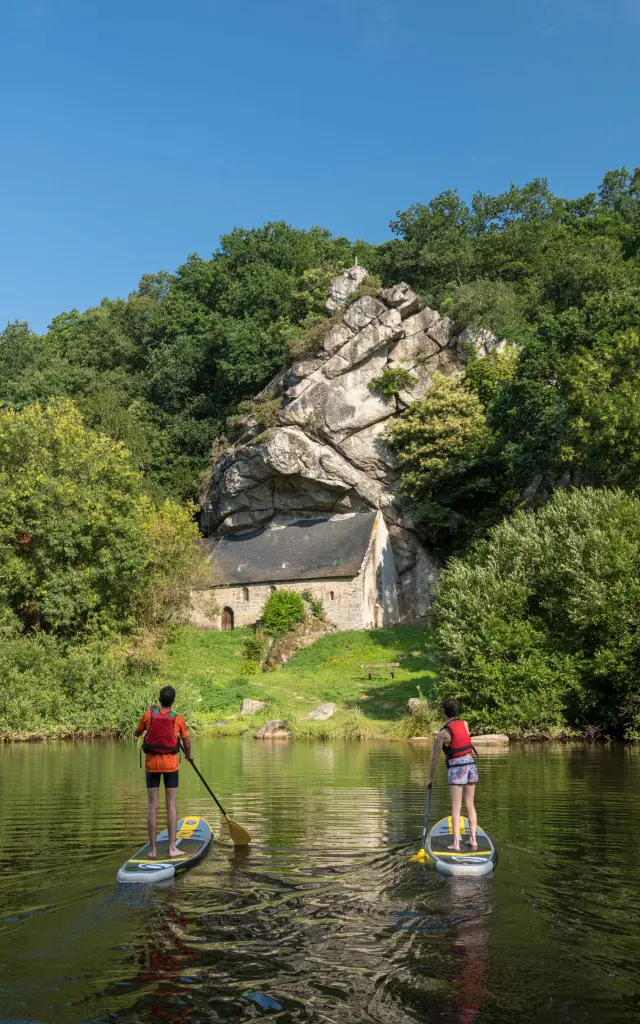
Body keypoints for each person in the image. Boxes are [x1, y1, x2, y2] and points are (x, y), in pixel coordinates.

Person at [134, 685, 192, 859]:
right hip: (171, 766)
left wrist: (149, 713)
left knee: (152, 807)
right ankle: (172, 848)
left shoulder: (148, 715)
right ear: (173, 701)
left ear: (159, 700)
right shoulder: (178, 718)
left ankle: (152, 850)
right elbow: (187, 744)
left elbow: (137, 733)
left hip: (152, 765)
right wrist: (189, 756)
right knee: (171, 805)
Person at [427, 698, 479, 852]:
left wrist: (430, 778)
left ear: (443, 712)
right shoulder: (465, 724)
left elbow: (435, 758)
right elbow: (460, 737)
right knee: (470, 804)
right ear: (456, 711)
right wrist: (440, 734)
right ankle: (473, 840)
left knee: (456, 806)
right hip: (470, 766)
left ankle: (456, 843)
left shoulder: (442, 734)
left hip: (457, 768)